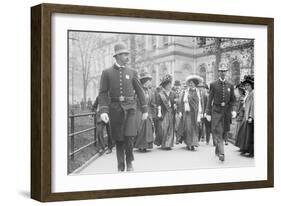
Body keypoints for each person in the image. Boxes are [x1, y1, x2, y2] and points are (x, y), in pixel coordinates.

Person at [98, 42, 148, 172]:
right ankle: (120, 166)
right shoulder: (106, 73)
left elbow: (140, 91)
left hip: (130, 109)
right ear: (117, 56)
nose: (127, 56)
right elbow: (102, 93)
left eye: (127, 54)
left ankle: (129, 162)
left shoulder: (132, 72)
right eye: (125, 54)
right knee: (119, 139)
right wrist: (103, 110)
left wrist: (144, 109)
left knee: (129, 137)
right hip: (115, 109)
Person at [206, 64, 236, 161]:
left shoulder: (230, 85)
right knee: (218, 132)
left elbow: (233, 99)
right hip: (216, 112)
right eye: (221, 71)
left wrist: (233, 110)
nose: (223, 73)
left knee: (223, 133)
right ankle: (222, 153)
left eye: (224, 71)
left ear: (226, 72)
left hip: (226, 113)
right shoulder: (213, 84)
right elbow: (210, 99)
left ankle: (217, 150)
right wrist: (208, 113)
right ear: (218, 72)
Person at [177, 75, 203, 151]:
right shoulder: (185, 92)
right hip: (187, 113)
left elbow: (201, 103)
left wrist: (202, 112)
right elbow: (181, 102)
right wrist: (180, 111)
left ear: (195, 84)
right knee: (188, 128)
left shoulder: (198, 92)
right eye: (190, 83)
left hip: (195, 113)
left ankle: (193, 143)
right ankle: (188, 143)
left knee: (195, 128)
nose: (191, 84)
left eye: (192, 83)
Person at [134, 71, 155, 152]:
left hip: (148, 113)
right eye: (148, 80)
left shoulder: (150, 91)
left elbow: (152, 103)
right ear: (144, 81)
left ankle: (146, 145)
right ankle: (140, 146)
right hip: (139, 111)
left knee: (148, 130)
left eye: (150, 81)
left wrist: (153, 112)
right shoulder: (138, 91)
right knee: (141, 129)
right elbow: (136, 101)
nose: (150, 82)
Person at [154, 74, 176, 150]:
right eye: (168, 84)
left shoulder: (173, 93)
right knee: (163, 128)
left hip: (171, 113)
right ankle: (163, 143)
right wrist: (159, 112)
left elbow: (174, 102)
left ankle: (168, 144)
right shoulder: (160, 94)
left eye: (170, 84)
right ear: (165, 85)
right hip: (163, 112)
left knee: (170, 128)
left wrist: (175, 105)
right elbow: (158, 104)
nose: (170, 86)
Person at [236, 75, 254, 157]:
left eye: (248, 85)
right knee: (244, 133)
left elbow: (253, 106)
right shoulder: (248, 93)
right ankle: (244, 149)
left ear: (251, 86)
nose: (246, 87)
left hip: (249, 116)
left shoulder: (253, 93)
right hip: (245, 116)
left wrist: (251, 116)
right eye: (246, 85)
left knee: (250, 135)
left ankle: (251, 151)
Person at [234, 83, 246, 150]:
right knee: (239, 131)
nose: (238, 92)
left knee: (240, 130)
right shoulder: (240, 98)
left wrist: (238, 112)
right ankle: (240, 146)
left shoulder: (242, 98)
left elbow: (241, 107)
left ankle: (241, 146)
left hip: (241, 116)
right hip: (239, 115)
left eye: (239, 90)